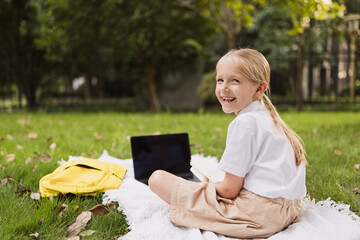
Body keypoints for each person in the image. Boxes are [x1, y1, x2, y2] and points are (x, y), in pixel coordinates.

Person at [148, 48, 307, 239]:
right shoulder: (268, 118)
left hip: (258, 215)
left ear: (259, 89)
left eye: (235, 81)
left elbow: (230, 191)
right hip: (289, 208)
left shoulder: (244, 124)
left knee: (157, 179)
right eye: (220, 80)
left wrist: (212, 187)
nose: (224, 87)